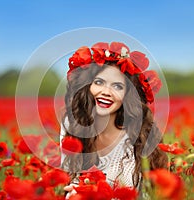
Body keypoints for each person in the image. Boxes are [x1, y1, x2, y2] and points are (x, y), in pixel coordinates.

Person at [60, 42, 168, 197]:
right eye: (99, 82)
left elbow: (145, 196)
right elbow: (72, 181)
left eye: (117, 86)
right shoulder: (72, 125)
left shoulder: (138, 136)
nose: (106, 92)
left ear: (127, 95)